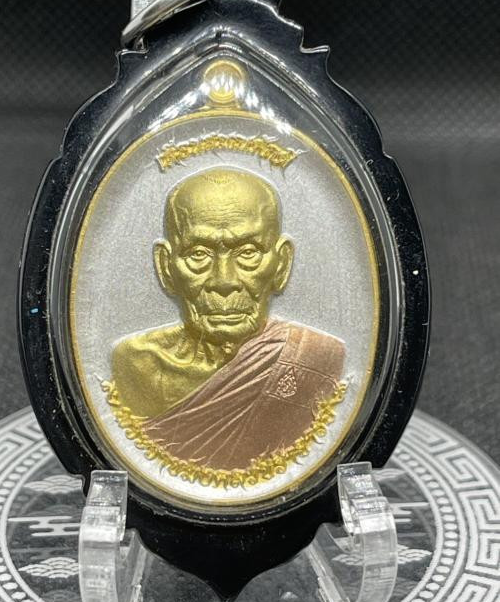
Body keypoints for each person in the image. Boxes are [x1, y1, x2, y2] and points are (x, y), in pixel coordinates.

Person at [111, 167, 345, 470]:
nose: (224, 281)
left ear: (282, 264)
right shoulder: (135, 365)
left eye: (248, 252)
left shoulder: (317, 358)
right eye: (198, 254)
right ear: (166, 267)